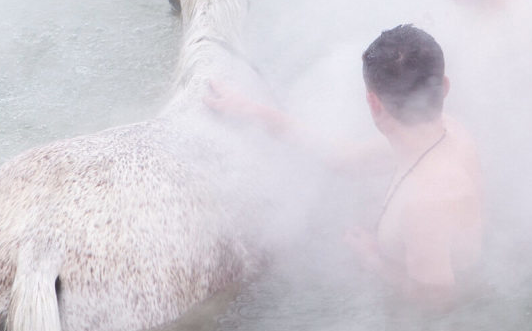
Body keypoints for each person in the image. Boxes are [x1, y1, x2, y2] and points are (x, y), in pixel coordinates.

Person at [206, 25, 483, 309]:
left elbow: (438, 301)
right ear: (445, 86)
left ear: (372, 102)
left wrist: (373, 259)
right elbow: (342, 158)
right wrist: (252, 110)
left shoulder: (426, 203)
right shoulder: (444, 131)